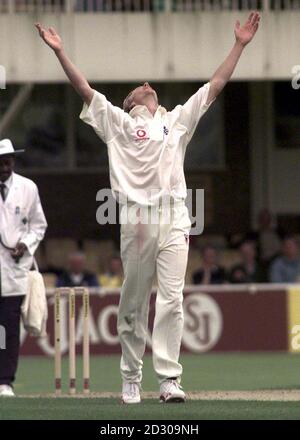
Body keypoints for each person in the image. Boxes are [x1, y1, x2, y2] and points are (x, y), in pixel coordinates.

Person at [35, 11, 260, 404]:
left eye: (149, 85)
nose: (146, 84)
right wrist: (60, 52)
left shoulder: (176, 121)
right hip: (136, 217)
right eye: (139, 87)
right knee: (135, 300)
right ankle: (131, 378)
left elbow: (216, 84)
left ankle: (170, 380)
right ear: (130, 102)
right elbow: (84, 88)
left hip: (174, 214)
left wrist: (238, 45)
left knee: (173, 298)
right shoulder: (118, 123)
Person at [0, 139, 47, 397]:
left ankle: (5, 381)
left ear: (13, 161)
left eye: (7, 162)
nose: (4, 167)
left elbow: (38, 226)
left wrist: (25, 245)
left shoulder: (28, 188)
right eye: (0, 163)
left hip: (13, 270)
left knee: (8, 329)